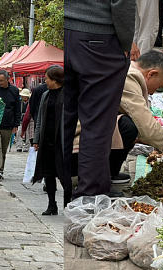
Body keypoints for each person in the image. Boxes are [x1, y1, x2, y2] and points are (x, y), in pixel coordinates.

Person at [64, 0, 136, 198]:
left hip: (71, 29)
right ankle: (90, 193)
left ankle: (78, 186)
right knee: (97, 122)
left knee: (69, 114)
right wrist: (126, 41)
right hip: (98, 33)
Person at [109, 50, 163, 184]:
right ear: (151, 74)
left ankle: (110, 173)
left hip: (93, 130)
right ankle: (105, 174)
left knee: (131, 126)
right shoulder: (129, 77)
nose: (154, 92)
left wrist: (149, 139)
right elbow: (142, 119)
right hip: (80, 139)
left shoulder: (127, 70)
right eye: (159, 86)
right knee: (128, 126)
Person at [31, 65, 71, 216]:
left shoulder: (68, 95)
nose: (45, 80)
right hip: (46, 141)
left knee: (63, 174)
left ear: (55, 79)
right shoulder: (46, 95)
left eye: (47, 78)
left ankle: (68, 205)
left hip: (61, 141)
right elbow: (40, 119)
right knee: (48, 174)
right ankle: (51, 204)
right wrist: (36, 139)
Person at [0, 71, 21, 181]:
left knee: (3, 149)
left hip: (8, 124)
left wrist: (16, 124)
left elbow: (17, 109)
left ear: (7, 79)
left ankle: (1, 170)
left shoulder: (14, 91)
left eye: (1, 80)